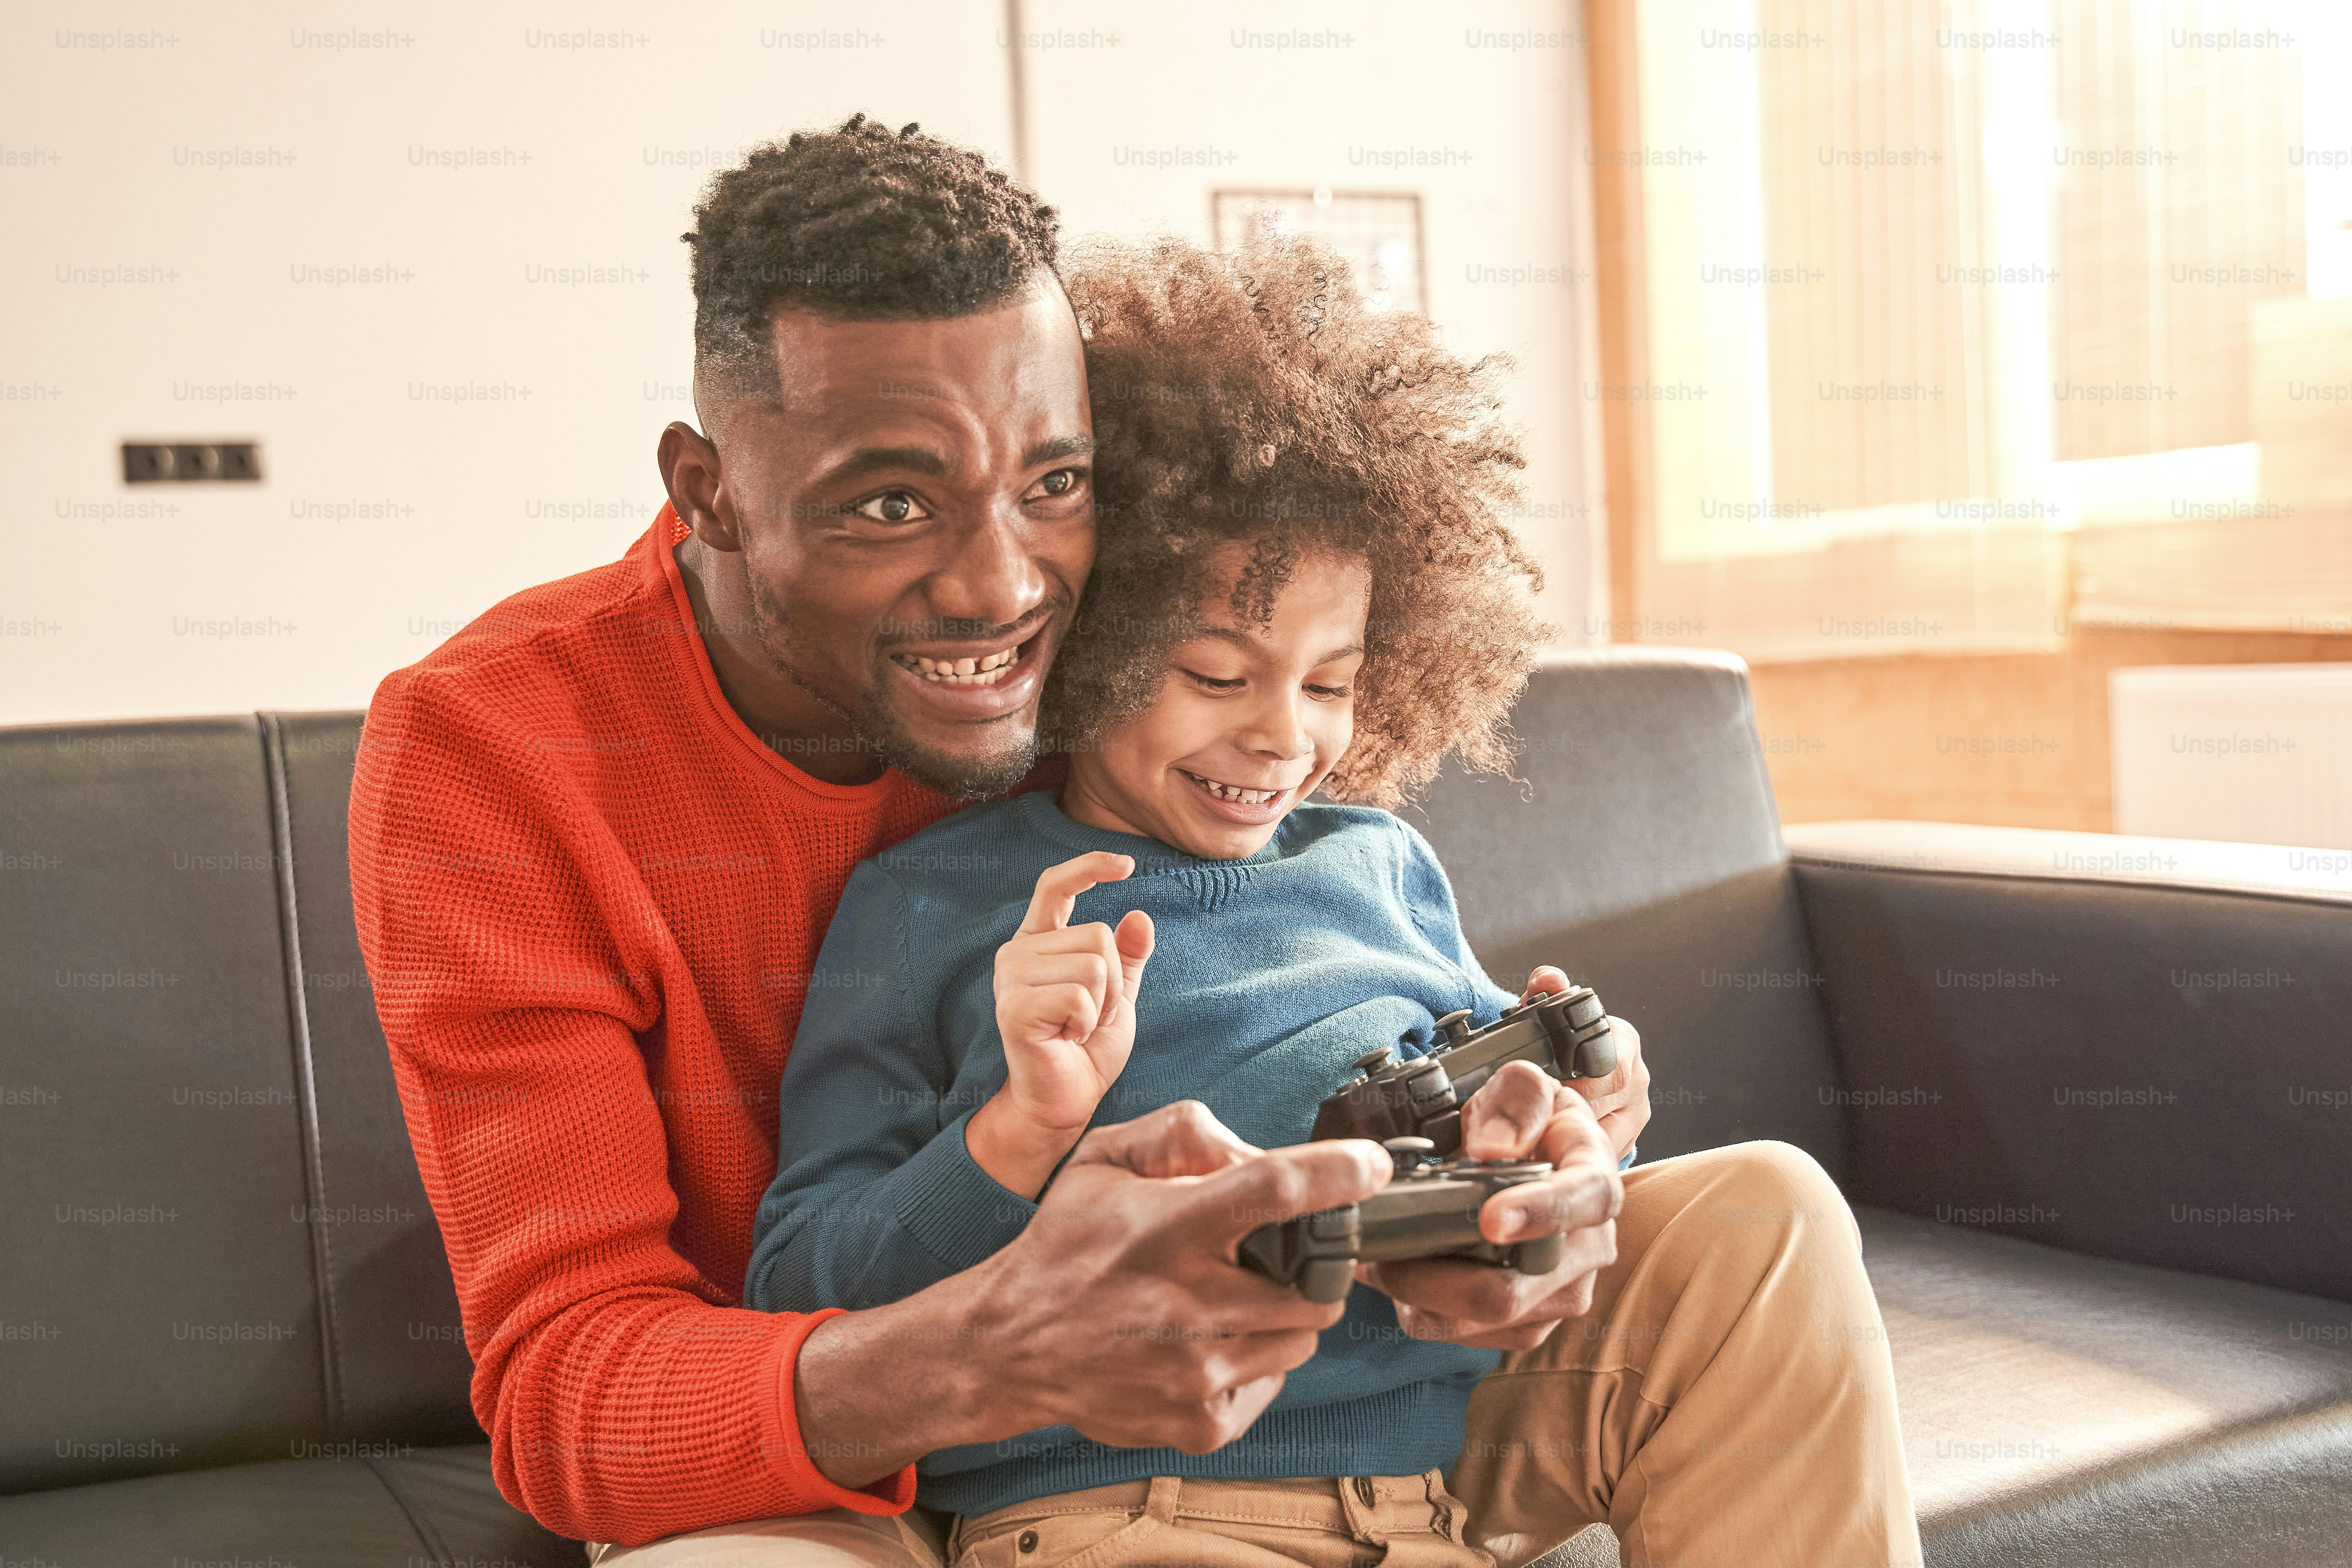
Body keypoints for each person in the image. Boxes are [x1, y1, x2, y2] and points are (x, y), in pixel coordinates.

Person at [348, 115, 1918, 1568]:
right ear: (711, 490)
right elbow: (569, 1393)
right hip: (890, 1441)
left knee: (1756, 1221)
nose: (997, 589)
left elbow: (1346, 984)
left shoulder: (1131, 645)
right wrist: (990, 1343)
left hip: (1359, 1392)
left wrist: (1541, 1182)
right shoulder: (492, 749)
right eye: (888, 504)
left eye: (1054, 483)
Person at [731, 233, 1919, 1568]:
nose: (1282, 738)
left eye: (1331, 681)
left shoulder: (1377, 859)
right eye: (1217, 674)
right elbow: (804, 1287)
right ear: (1095, 633)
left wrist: (1581, 1131)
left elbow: (1509, 1182)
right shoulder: (929, 901)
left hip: (1440, 1474)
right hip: (1126, 1511)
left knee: (1770, 1202)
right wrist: (1014, 1131)